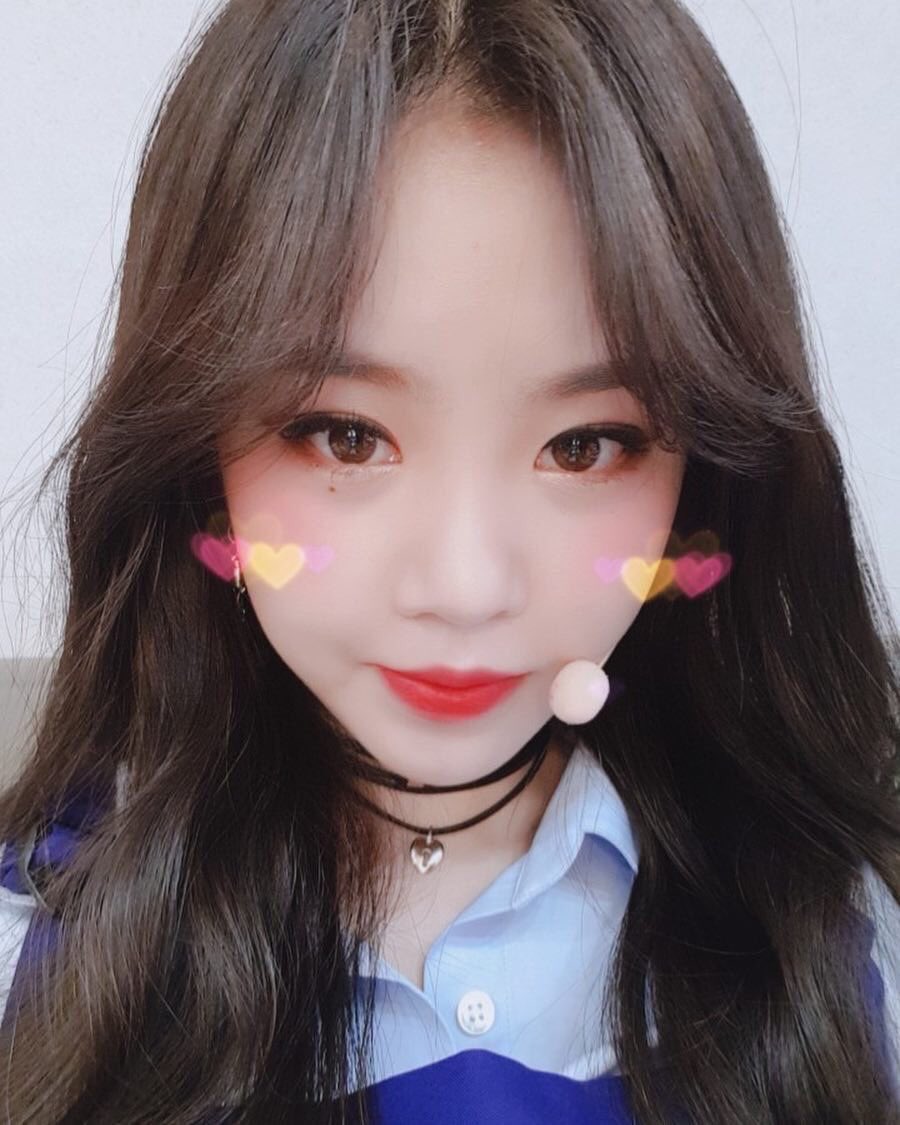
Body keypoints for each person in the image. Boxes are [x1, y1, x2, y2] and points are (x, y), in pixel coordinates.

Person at [0, 0, 897, 1120]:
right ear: (195, 453)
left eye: (586, 445)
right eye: (345, 435)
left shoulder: (834, 937)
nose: (466, 587)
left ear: (703, 480)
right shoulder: (43, 943)